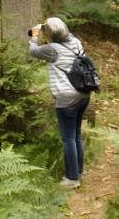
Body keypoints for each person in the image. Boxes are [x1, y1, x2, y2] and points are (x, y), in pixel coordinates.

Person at [28, 17, 90, 189]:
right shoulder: (76, 42)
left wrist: (34, 36)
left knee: (68, 138)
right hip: (83, 95)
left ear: (50, 34)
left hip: (66, 99)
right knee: (76, 135)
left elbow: (33, 51)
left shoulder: (52, 49)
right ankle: (78, 171)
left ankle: (72, 179)